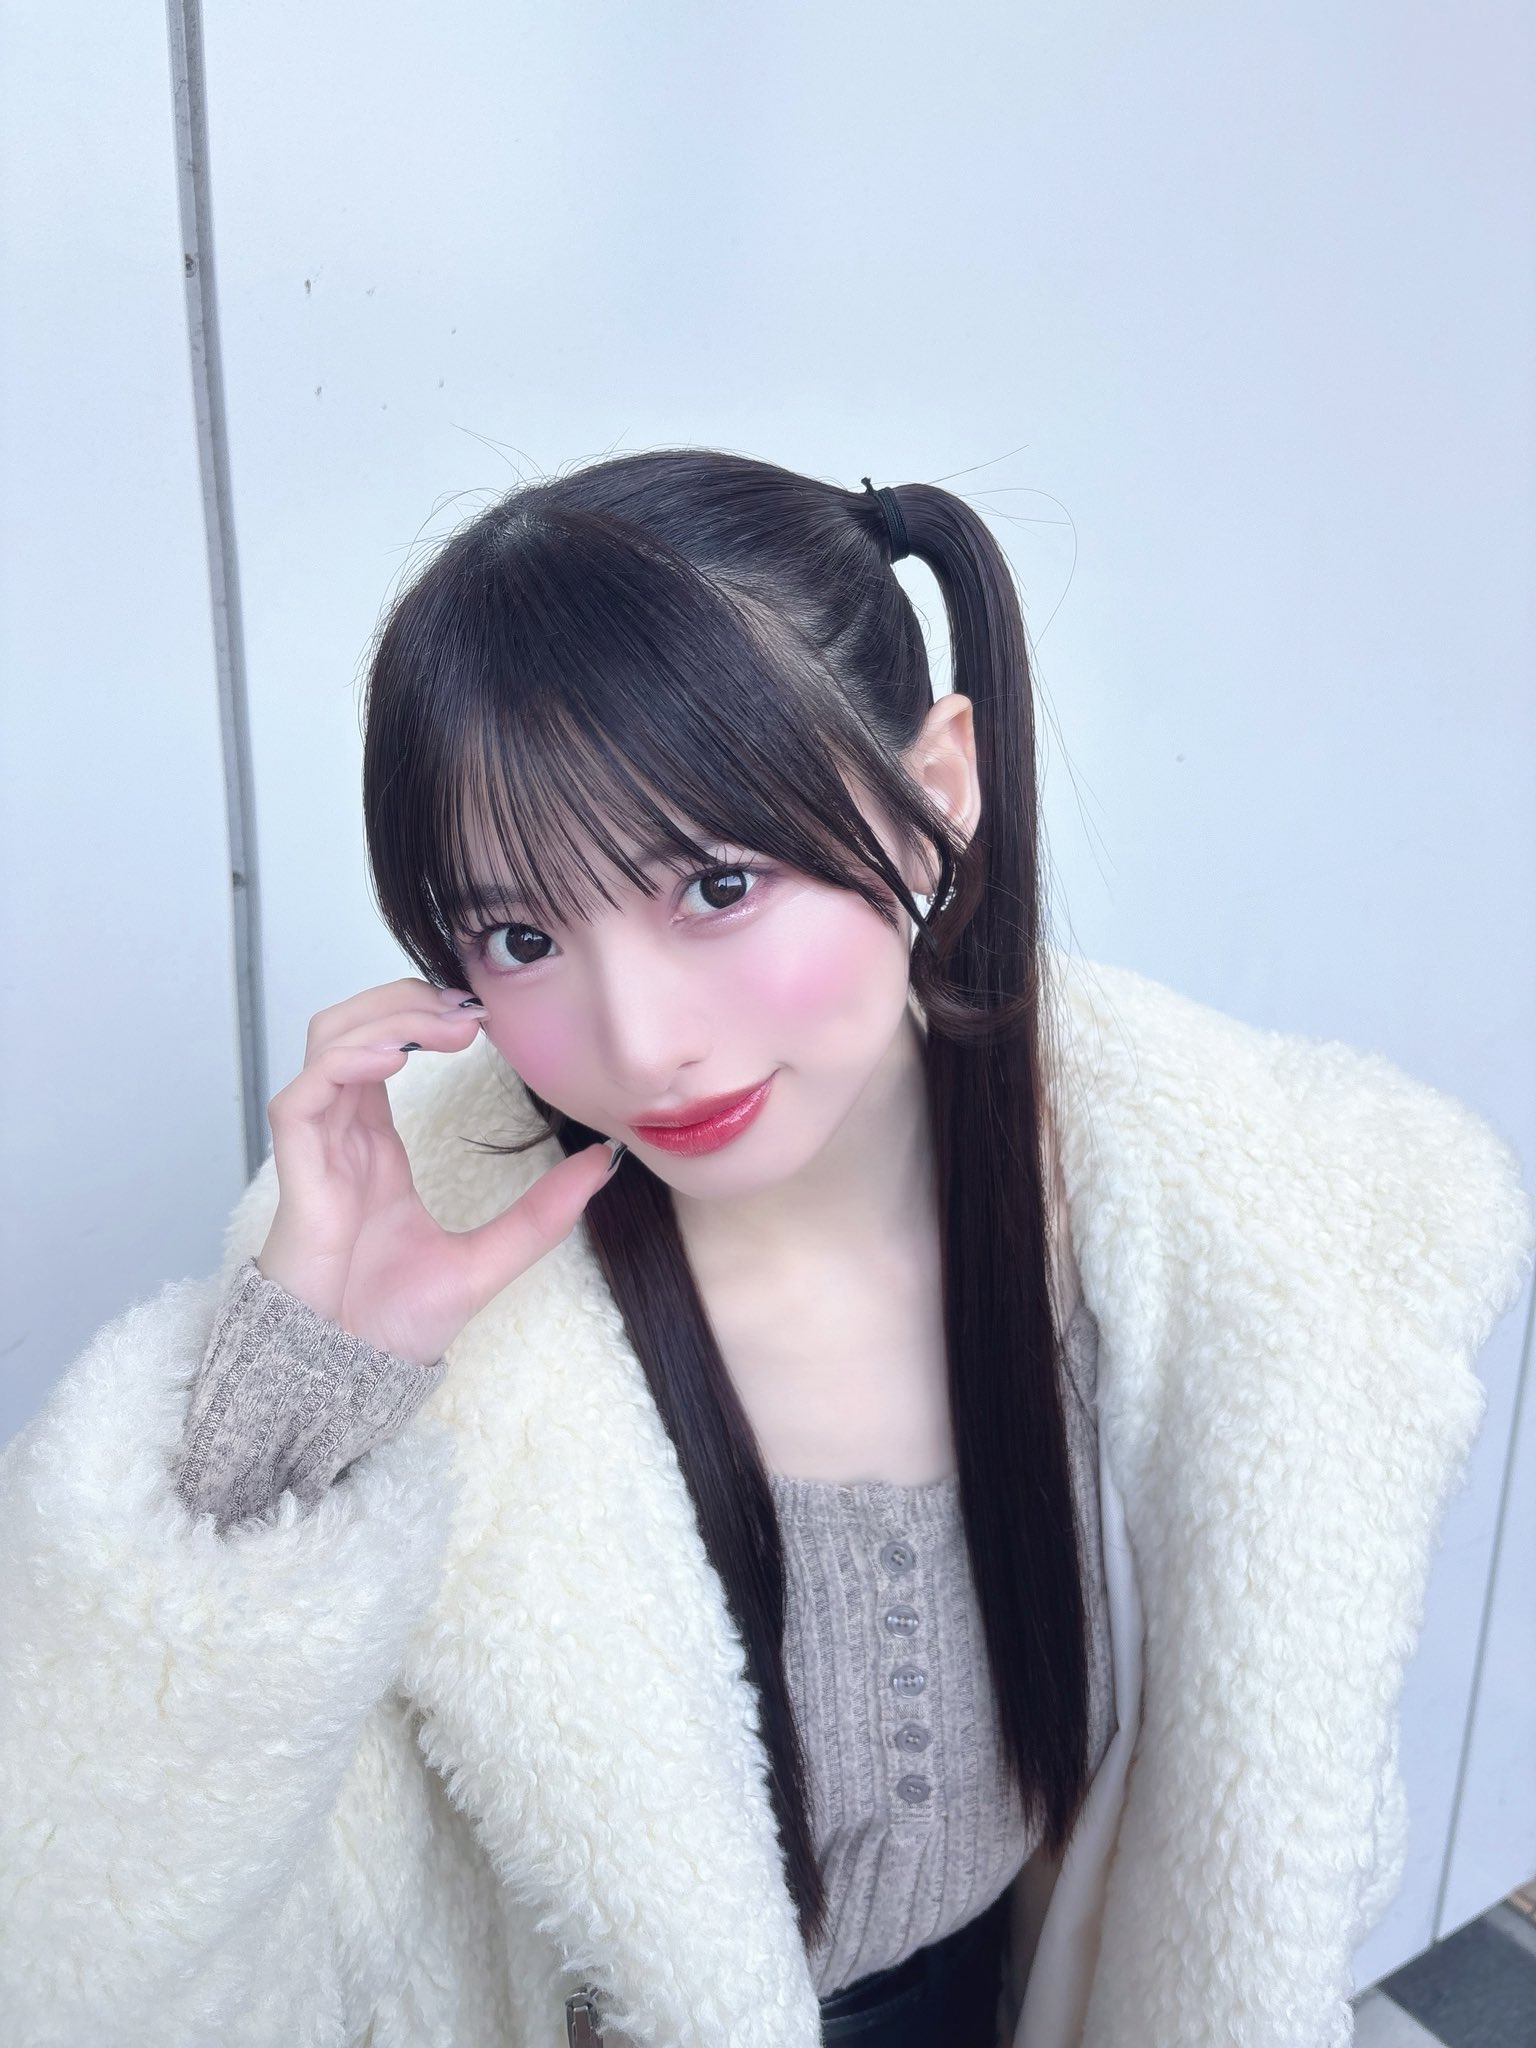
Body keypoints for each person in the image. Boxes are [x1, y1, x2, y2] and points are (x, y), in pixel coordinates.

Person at [0, 450, 1530, 2048]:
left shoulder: (1227, 1231)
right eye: (521, 936)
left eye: (717, 885)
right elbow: (92, 1942)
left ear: (938, 791)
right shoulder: (423, 1309)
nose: (639, 1039)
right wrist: (290, 1413)